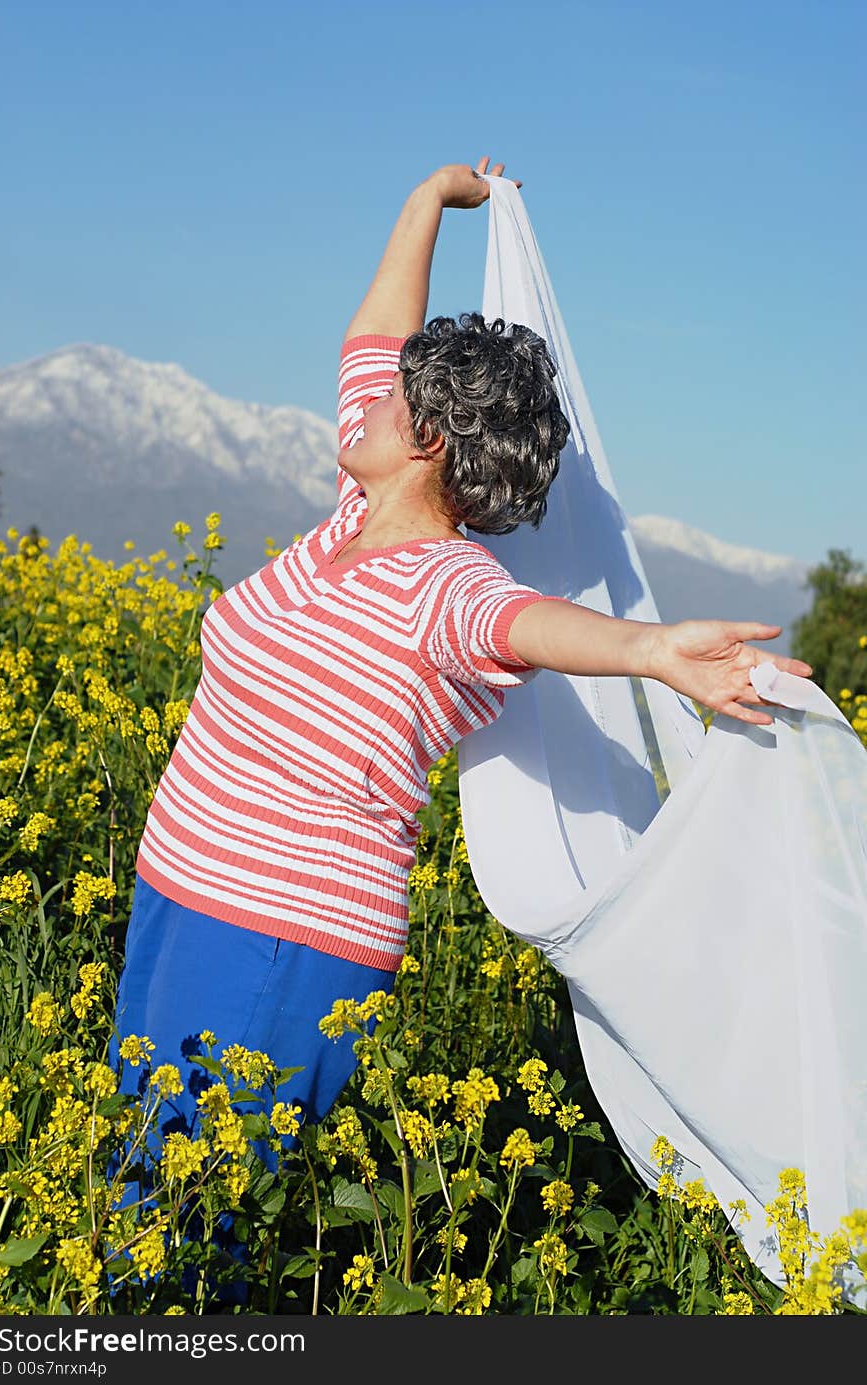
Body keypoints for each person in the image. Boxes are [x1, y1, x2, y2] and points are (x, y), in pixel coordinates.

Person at [109, 154, 813, 1191]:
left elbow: (526, 623)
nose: (366, 406)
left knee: (185, 1220)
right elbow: (372, 341)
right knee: (128, 1174)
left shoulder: (448, 588)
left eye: (393, 403)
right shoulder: (354, 510)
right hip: (178, 889)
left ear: (427, 440)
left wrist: (651, 652)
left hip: (276, 936)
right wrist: (427, 199)